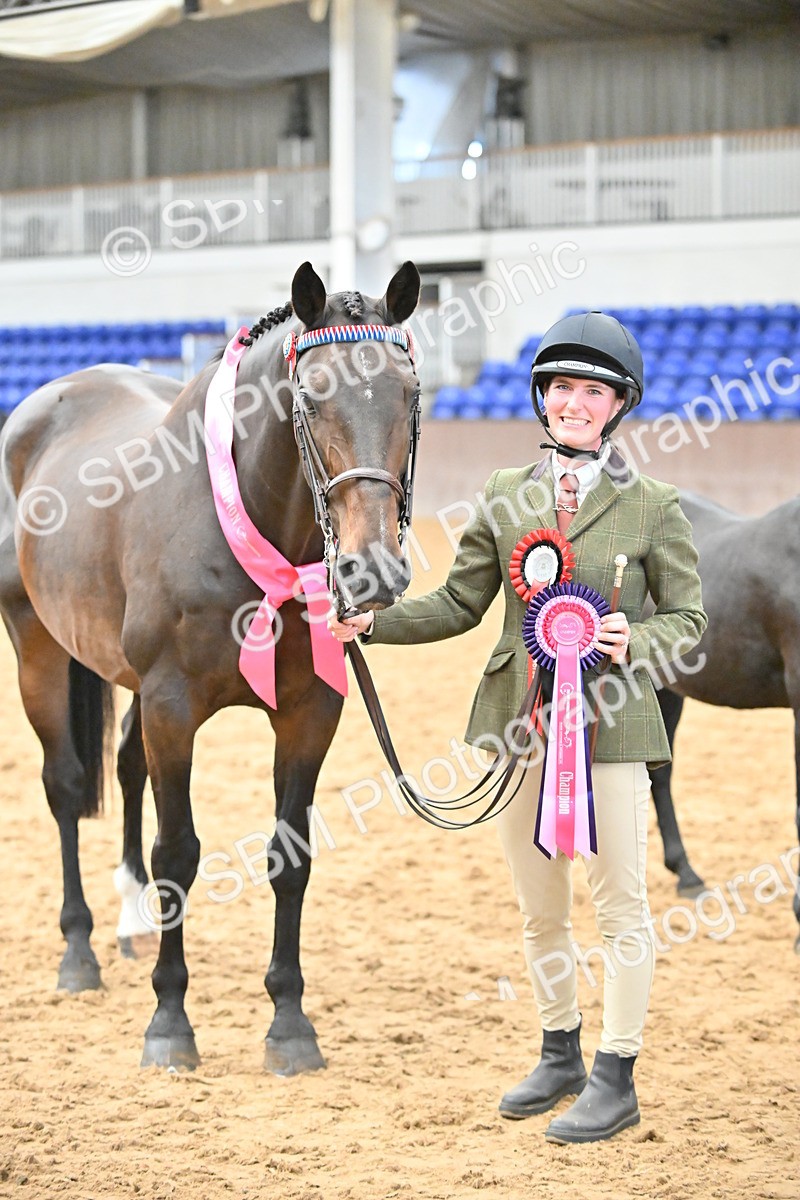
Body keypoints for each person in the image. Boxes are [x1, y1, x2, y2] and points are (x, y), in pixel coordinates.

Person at [328, 312, 707, 1144]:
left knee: (621, 909)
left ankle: (617, 1073)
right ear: (543, 398)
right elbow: (460, 602)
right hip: (520, 727)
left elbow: (689, 619)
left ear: (618, 405)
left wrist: (632, 638)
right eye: (562, 388)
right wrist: (374, 624)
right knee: (541, 909)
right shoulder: (506, 494)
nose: (575, 403)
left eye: (594, 392)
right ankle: (559, 1049)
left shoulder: (653, 506)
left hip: (612, 726)